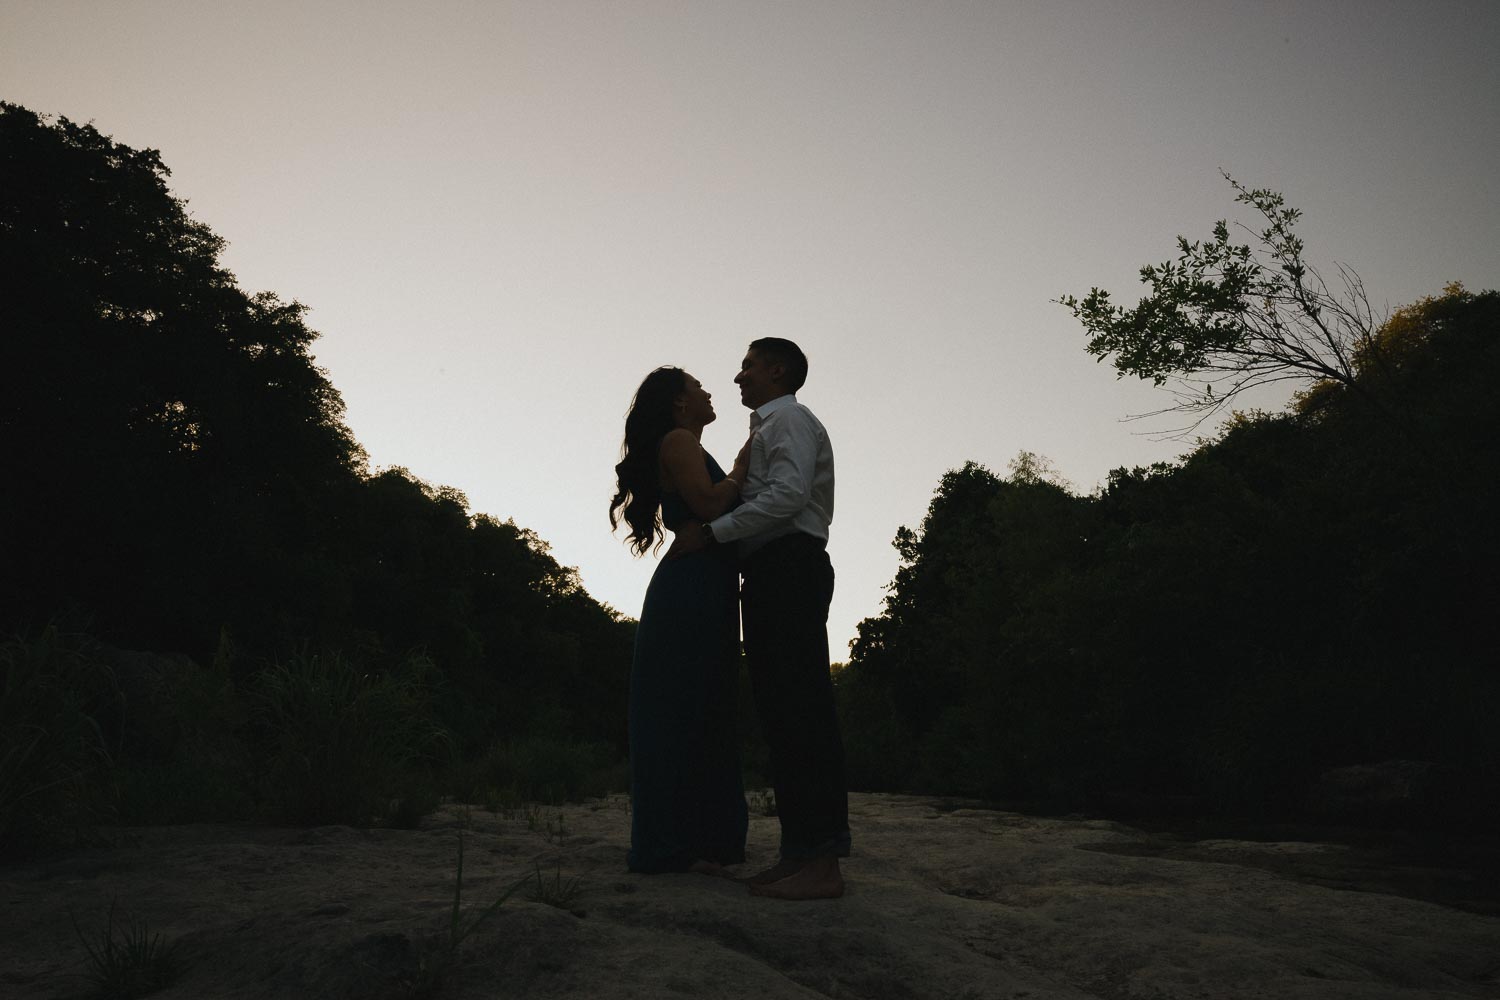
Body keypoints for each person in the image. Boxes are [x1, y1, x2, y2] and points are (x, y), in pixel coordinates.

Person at [671, 338, 849, 900]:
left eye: (747, 365)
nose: (738, 376)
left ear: (777, 370)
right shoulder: (765, 428)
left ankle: (823, 865)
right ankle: (798, 854)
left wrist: (714, 533)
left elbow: (791, 495)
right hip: (771, 573)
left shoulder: (789, 419)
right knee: (781, 714)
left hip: (791, 566)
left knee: (803, 709)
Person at [610, 366, 752, 874]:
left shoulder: (683, 441)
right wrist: (740, 465)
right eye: (697, 387)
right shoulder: (678, 440)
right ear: (677, 403)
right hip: (689, 590)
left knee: (705, 702)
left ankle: (702, 839)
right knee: (679, 704)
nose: (709, 391)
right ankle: (672, 841)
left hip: (706, 585)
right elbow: (712, 504)